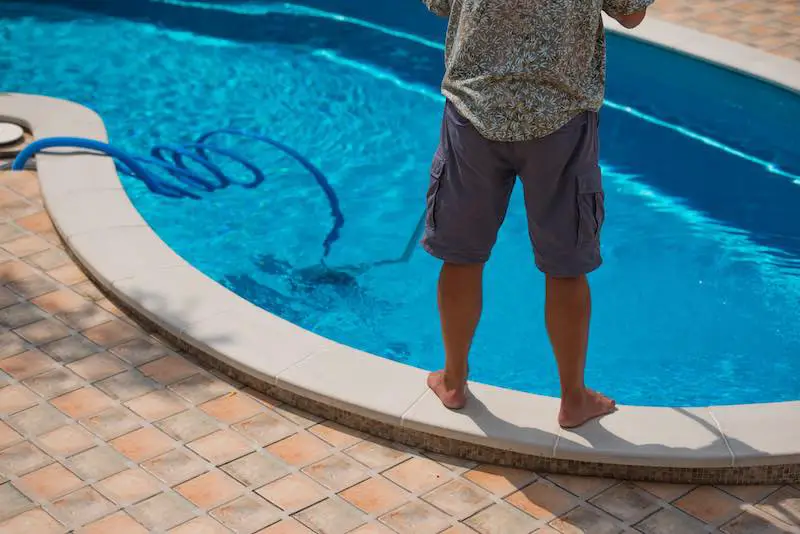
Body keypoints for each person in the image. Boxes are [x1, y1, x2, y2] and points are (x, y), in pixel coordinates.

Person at [421, 0, 653, 428]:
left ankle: (453, 380)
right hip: (561, 119)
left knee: (461, 256)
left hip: (474, 112)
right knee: (565, 268)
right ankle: (573, 398)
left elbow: (439, 5)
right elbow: (632, 14)